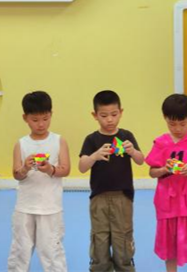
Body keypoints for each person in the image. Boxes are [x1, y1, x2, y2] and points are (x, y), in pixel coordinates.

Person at [79, 90, 145, 272]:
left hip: (123, 197)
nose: (109, 120)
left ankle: (124, 267)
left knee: (122, 237)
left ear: (121, 112)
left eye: (114, 114)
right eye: (104, 115)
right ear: (95, 115)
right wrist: (94, 156)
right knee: (99, 237)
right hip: (99, 197)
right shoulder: (91, 139)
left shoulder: (126, 136)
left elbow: (141, 160)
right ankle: (99, 267)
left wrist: (132, 151)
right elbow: (82, 166)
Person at [146, 94, 187, 272]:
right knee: (170, 249)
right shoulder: (160, 143)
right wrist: (164, 169)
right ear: (165, 118)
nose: (177, 129)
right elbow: (152, 172)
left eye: (182, 124)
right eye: (172, 124)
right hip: (167, 203)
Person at [8, 91, 71, 272]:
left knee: (52, 250)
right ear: (25, 118)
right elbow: (16, 174)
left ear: (51, 114)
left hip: (51, 207)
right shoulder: (21, 144)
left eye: (45, 118)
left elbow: (66, 169)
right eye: (35, 120)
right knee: (20, 250)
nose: (41, 124)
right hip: (25, 206)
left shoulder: (59, 141)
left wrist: (50, 169)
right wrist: (25, 168)